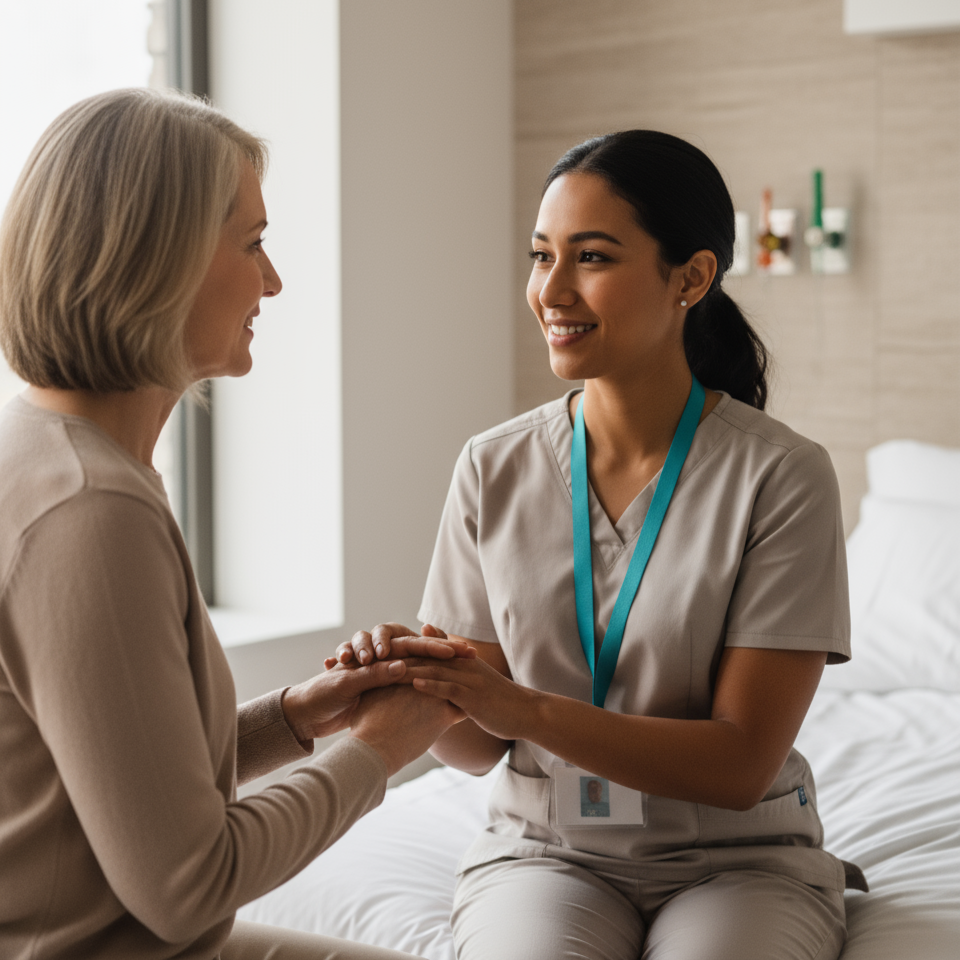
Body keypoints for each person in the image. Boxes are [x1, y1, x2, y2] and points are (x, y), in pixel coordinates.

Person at [334, 131, 867, 960]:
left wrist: (522, 707)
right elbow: (475, 749)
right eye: (541, 255)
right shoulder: (493, 466)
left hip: (735, 860)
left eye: (592, 257)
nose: (552, 289)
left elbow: (739, 764)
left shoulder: (783, 476)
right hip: (547, 854)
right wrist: (413, 680)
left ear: (690, 277)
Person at [0, 88, 470, 960]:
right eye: (253, 244)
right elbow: (188, 887)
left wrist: (298, 717)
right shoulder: (88, 512)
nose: (274, 279)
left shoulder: (60, 454)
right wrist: (381, 750)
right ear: (158, 261)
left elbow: (125, 770)